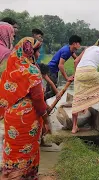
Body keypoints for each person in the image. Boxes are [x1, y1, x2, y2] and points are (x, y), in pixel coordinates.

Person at [0, 37, 52, 179]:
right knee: (25, 152)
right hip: (27, 118)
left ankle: (9, 174)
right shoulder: (32, 71)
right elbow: (38, 100)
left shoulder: (10, 69)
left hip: (11, 115)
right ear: (30, 52)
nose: (38, 54)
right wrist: (47, 120)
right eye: (37, 51)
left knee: (13, 151)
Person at [45, 35, 82, 100]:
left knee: (48, 90)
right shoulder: (66, 51)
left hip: (51, 70)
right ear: (74, 44)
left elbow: (76, 59)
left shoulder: (70, 50)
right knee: (54, 91)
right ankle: (41, 101)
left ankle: (42, 104)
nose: (80, 45)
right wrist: (66, 78)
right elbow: (60, 65)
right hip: (51, 70)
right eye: (79, 43)